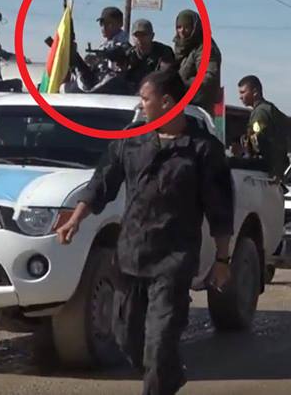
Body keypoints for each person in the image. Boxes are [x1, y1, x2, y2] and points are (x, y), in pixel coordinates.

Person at [53, 69, 233, 395]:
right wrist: (75, 219)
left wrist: (223, 259)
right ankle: (169, 376)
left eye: (145, 98)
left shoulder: (203, 149)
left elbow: (220, 209)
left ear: (167, 102)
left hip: (174, 259)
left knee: (160, 340)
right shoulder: (131, 139)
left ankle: (159, 381)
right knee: (126, 336)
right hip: (131, 254)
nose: (141, 105)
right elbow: (102, 183)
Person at [238, 75, 290, 179]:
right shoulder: (269, 109)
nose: (240, 97)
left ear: (255, 92)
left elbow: (256, 140)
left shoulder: (260, 113)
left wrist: (243, 149)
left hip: (267, 172)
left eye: (243, 92)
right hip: (279, 167)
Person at [172, 9, 221, 113]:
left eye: (187, 27)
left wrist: (181, 84)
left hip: (198, 108)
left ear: (194, 28)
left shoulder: (205, 48)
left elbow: (207, 77)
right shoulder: (181, 47)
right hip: (181, 104)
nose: (182, 31)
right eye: (179, 27)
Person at [126, 19, 175, 89]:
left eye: (143, 35)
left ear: (152, 36)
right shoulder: (129, 54)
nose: (140, 39)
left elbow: (165, 75)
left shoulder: (163, 51)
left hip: (157, 92)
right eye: (136, 35)